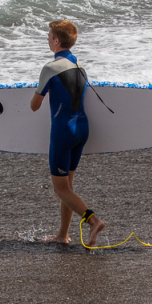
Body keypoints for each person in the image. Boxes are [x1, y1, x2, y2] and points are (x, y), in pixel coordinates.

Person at [30, 20, 105, 247]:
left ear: (56, 41)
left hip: (63, 132)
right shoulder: (80, 65)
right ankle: (63, 235)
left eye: (49, 36)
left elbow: (34, 105)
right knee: (67, 188)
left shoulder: (50, 68)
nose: (47, 39)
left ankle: (93, 221)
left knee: (60, 188)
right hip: (82, 129)